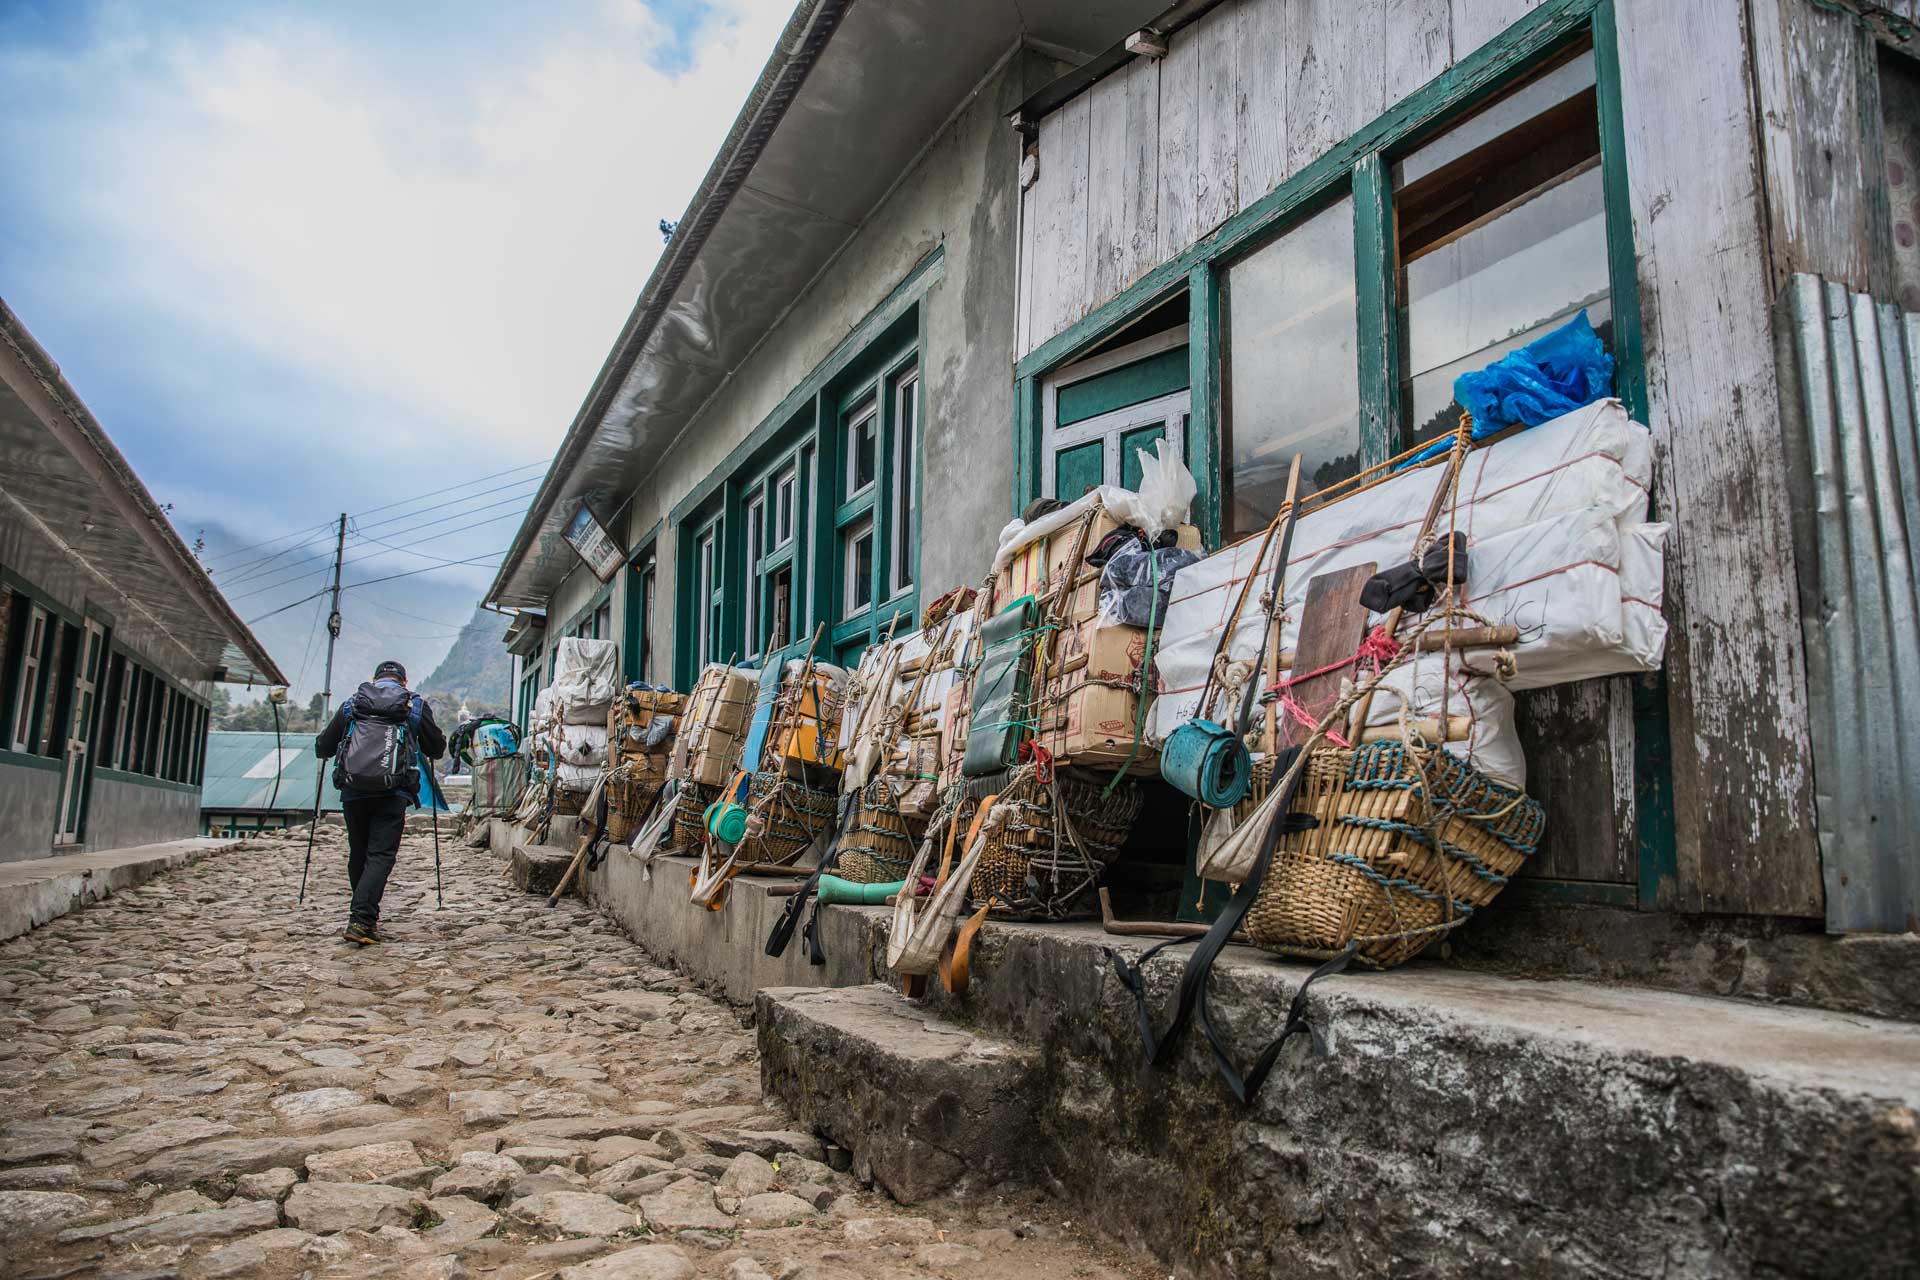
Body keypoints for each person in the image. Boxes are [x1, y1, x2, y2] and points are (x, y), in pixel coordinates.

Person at [315, 660, 445, 945]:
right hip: (393, 792)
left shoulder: (352, 705)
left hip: (354, 790)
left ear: (374, 679)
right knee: (380, 855)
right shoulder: (413, 706)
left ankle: (363, 917)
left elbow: (323, 746)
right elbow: (436, 749)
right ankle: (362, 920)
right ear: (404, 682)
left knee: (359, 852)